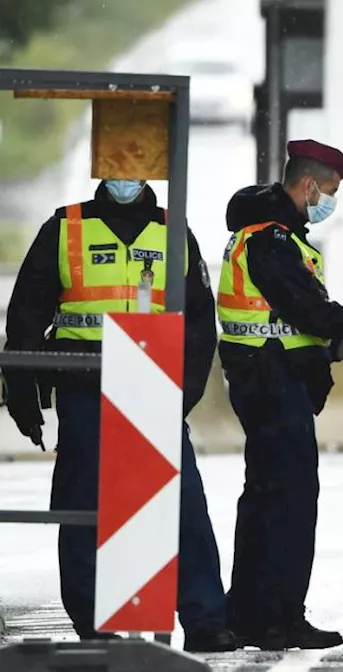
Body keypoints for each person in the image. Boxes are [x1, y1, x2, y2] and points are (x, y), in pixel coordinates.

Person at [2, 179, 240, 652]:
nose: (124, 174)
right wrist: (25, 391)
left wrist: (181, 397)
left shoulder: (174, 231)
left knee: (182, 502)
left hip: (153, 385)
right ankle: (95, 624)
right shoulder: (66, 227)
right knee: (84, 504)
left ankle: (206, 619)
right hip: (83, 386)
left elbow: (198, 325)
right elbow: (26, 315)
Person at [217, 139, 343, 650]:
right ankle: (279, 619)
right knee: (289, 504)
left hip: (269, 377)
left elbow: (284, 321)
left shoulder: (270, 236)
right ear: (308, 186)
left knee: (266, 501)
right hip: (271, 383)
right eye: (329, 190)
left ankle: (250, 615)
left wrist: (331, 349)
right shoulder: (272, 241)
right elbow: (310, 313)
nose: (330, 200)